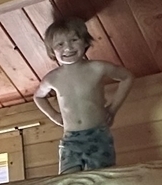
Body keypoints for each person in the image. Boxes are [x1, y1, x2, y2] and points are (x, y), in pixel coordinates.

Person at [32, 15, 133, 173]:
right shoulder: (52, 78)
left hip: (98, 135)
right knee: (68, 182)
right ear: (52, 50)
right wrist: (55, 116)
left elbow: (127, 77)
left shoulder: (98, 68)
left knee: (102, 179)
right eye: (60, 44)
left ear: (85, 42)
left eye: (74, 40)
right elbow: (38, 97)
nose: (68, 47)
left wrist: (113, 109)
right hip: (70, 139)